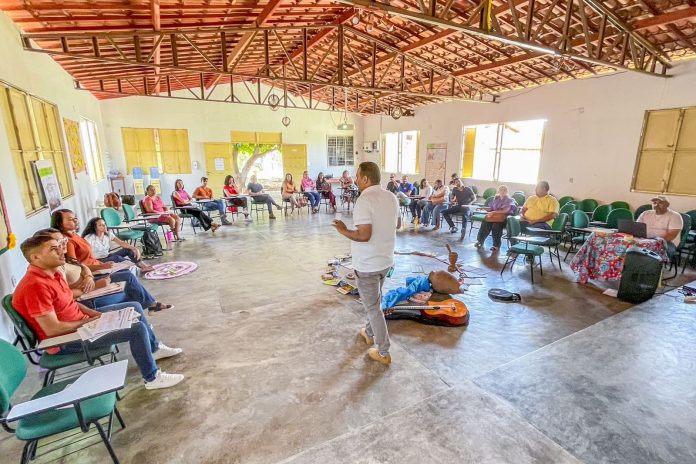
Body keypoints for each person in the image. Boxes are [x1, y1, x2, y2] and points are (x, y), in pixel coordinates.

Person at [13, 235, 184, 390]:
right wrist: (90, 322)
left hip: (80, 323)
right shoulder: (35, 286)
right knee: (137, 329)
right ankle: (152, 378)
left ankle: (154, 349)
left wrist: (96, 315)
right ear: (35, 257)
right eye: (53, 248)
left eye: (59, 246)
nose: (60, 251)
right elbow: (53, 330)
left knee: (133, 307)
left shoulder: (53, 274)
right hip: (66, 341)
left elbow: (71, 303)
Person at [333, 162, 399, 365]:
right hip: (386, 260)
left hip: (368, 264)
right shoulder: (391, 196)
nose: (355, 179)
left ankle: (383, 351)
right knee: (375, 302)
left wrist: (343, 230)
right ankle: (369, 332)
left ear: (365, 179)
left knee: (373, 307)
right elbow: (397, 224)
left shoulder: (364, 200)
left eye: (357, 176)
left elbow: (364, 234)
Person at [50, 211, 173, 313]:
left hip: (96, 266)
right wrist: (96, 270)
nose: (76, 220)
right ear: (60, 224)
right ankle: (149, 304)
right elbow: (76, 266)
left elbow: (81, 263)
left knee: (126, 269)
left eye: (75, 217)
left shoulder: (75, 236)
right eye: (70, 219)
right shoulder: (69, 241)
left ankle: (148, 304)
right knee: (127, 276)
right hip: (95, 270)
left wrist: (100, 266)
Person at [81, 218, 154, 273]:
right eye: (100, 225)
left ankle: (143, 266)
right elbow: (86, 254)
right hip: (98, 260)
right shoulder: (89, 238)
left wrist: (134, 248)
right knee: (117, 258)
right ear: (95, 228)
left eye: (104, 224)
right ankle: (134, 268)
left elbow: (122, 243)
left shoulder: (108, 234)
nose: (104, 226)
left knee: (129, 250)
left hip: (107, 255)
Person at [474, 185, 516, 251]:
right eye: (501, 189)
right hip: (494, 217)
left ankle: (496, 245)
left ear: (507, 191)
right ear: (498, 191)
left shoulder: (509, 200)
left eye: (504, 190)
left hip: (503, 218)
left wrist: (493, 212)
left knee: (496, 226)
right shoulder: (496, 199)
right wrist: (483, 208)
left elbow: (506, 210)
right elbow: (491, 208)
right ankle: (480, 241)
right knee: (485, 222)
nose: (502, 191)